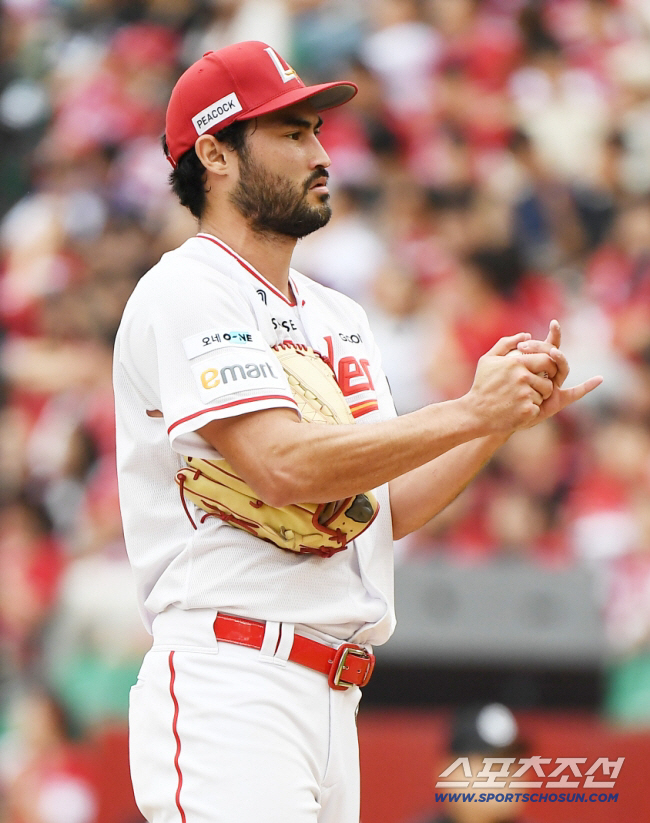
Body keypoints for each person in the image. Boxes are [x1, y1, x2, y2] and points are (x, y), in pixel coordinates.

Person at [112, 41, 602, 823]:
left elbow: (383, 505)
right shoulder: (188, 287)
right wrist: (469, 411)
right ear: (215, 153)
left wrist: (496, 424)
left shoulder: (337, 313)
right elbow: (280, 464)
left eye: (315, 130)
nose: (320, 153)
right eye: (291, 133)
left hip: (332, 692)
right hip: (232, 679)